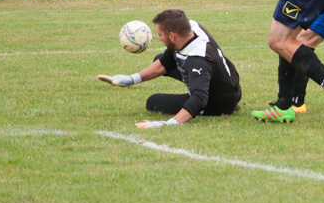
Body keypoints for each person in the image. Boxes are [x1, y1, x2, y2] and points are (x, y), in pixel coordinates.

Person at [97, 9, 241, 127]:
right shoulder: (192, 27)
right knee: (158, 59)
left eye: (160, 35)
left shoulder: (197, 60)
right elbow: (166, 61)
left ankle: (228, 106)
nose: (159, 38)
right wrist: (131, 79)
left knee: (153, 102)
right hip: (230, 84)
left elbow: (199, 98)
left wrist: (169, 123)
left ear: (172, 36)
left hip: (219, 101)